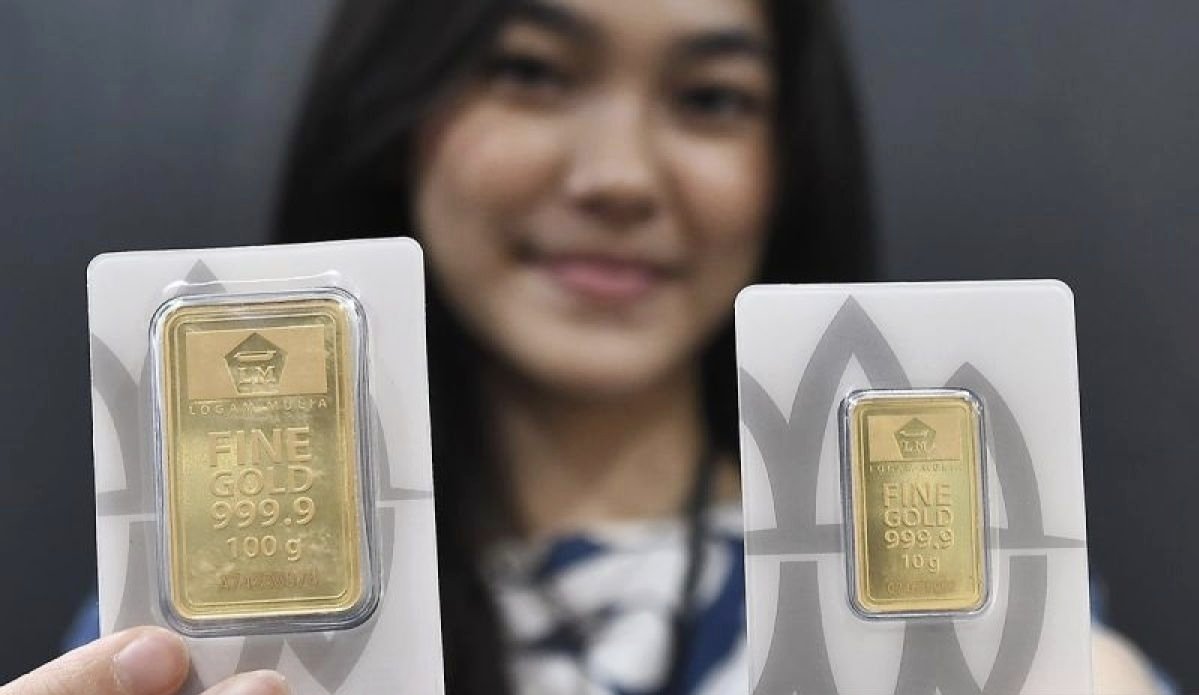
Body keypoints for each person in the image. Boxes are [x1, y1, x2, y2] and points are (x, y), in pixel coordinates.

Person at [5, 1, 1168, 694]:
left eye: (710, 98)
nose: (617, 176)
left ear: (788, 159)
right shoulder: (186, 628)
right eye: (529, 72)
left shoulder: (982, 620)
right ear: (397, 110)